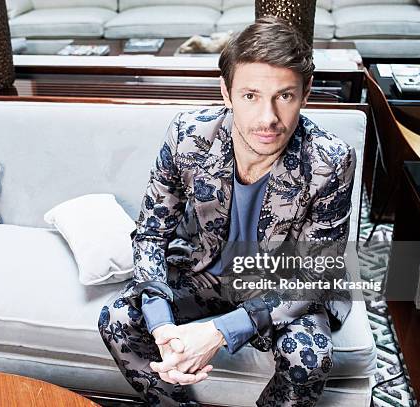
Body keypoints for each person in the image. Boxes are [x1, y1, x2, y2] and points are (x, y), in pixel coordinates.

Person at [98, 16, 356, 407]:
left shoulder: (330, 159)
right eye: (250, 95)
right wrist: (163, 325)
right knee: (117, 318)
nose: (267, 118)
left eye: (284, 96)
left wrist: (219, 332)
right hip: (204, 275)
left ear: (306, 94)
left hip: (280, 287)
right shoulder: (188, 136)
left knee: (309, 357)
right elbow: (151, 234)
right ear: (226, 92)